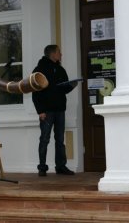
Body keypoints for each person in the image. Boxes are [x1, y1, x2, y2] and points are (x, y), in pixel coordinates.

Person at [32, 44, 77, 176]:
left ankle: (61, 166)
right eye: (59, 52)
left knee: (60, 140)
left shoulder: (60, 69)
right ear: (52, 54)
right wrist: (40, 111)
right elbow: (35, 92)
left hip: (60, 110)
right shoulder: (39, 70)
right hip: (46, 111)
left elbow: (64, 89)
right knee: (45, 139)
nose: (61, 54)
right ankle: (42, 168)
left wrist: (72, 86)